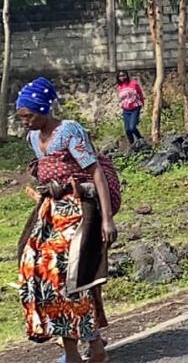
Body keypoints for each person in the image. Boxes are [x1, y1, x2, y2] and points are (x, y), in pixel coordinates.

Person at [16, 78, 118, 363]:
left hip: (79, 211)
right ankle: (71, 348)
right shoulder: (33, 139)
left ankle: (92, 344)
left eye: (29, 116)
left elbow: (95, 173)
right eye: (22, 118)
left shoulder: (69, 131)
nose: (25, 122)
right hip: (52, 212)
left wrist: (107, 220)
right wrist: (48, 188)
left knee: (68, 276)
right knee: (31, 265)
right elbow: (47, 174)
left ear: (43, 110)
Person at [115, 70, 145, 145]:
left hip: (135, 108)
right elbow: (120, 99)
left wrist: (142, 103)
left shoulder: (134, 84)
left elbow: (140, 94)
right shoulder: (119, 87)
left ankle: (140, 139)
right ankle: (132, 146)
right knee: (128, 130)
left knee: (132, 127)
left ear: (127, 76)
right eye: (120, 76)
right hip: (126, 110)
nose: (122, 77)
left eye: (123, 75)